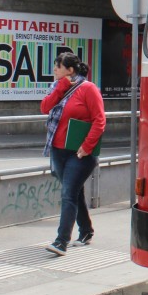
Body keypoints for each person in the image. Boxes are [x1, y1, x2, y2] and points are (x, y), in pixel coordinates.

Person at [40, 51, 106, 256]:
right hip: (58, 151)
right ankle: (86, 231)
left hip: (80, 154)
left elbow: (99, 120)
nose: (54, 69)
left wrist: (87, 146)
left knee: (68, 194)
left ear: (70, 69)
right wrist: (61, 88)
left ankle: (61, 241)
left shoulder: (88, 89)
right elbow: (44, 108)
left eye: (58, 66)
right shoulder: (57, 87)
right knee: (74, 192)